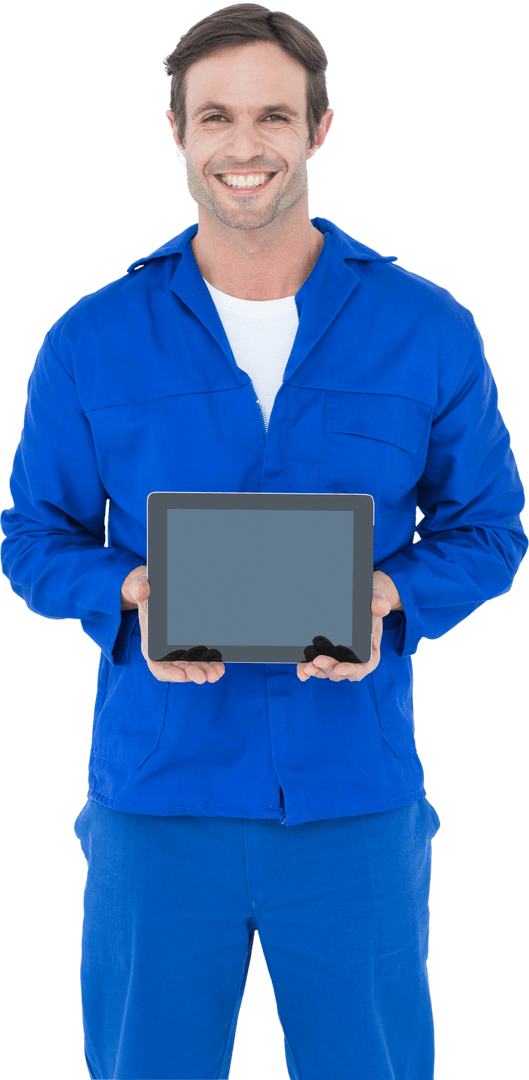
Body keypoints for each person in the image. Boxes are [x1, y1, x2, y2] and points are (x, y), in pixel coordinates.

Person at [1, 4, 527, 1079]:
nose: (245, 146)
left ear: (318, 130)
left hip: (353, 806)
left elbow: (488, 527)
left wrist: (388, 595)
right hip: (157, 801)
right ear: (177, 132)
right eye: (217, 117)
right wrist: (133, 590)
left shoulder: (426, 329)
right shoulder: (91, 338)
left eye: (274, 115)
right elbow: (31, 532)